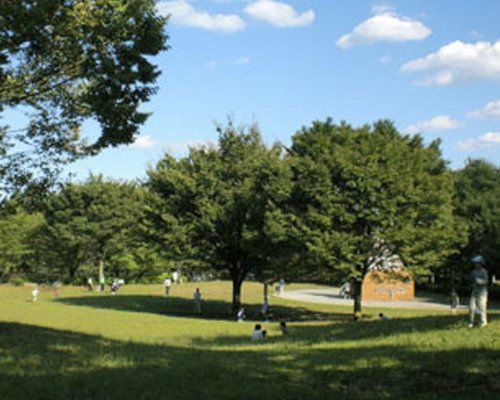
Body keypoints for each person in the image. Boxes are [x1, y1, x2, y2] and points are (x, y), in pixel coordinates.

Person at [468, 255, 489, 328]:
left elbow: (486, 281)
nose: (476, 265)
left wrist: (479, 281)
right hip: (475, 291)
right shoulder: (473, 272)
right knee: (471, 307)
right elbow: (470, 280)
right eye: (475, 263)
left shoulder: (484, 271)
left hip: (482, 292)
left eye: (477, 263)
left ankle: (484, 322)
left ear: (480, 263)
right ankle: (471, 322)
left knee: (482, 306)